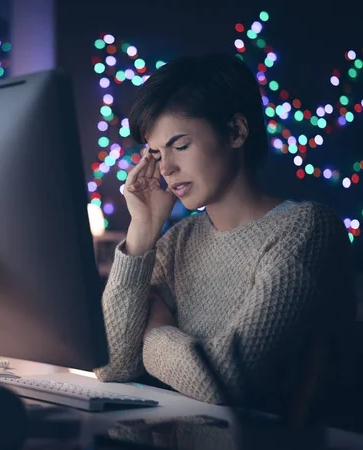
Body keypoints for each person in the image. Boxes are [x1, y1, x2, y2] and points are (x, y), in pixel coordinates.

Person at [94, 54, 357, 422]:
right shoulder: (178, 240)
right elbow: (110, 364)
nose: (166, 167)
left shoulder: (307, 229)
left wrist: (153, 332)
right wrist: (142, 232)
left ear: (235, 131)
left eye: (180, 146)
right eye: (155, 153)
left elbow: (229, 380)